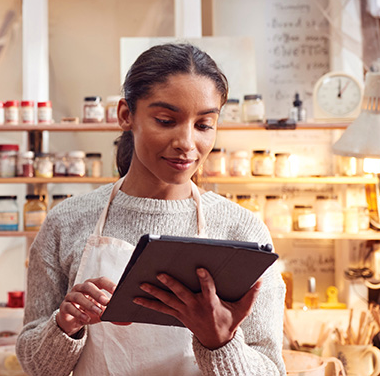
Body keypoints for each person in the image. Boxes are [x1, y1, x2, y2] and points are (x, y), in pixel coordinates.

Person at [15, 43, 285, 376]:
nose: (186, 142)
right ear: (126, 115)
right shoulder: (66, 222)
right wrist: (65, 324)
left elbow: (272, 369)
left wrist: (220, 342)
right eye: (166, 120)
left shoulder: (240, 230)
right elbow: (34, 365)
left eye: (203, 125)